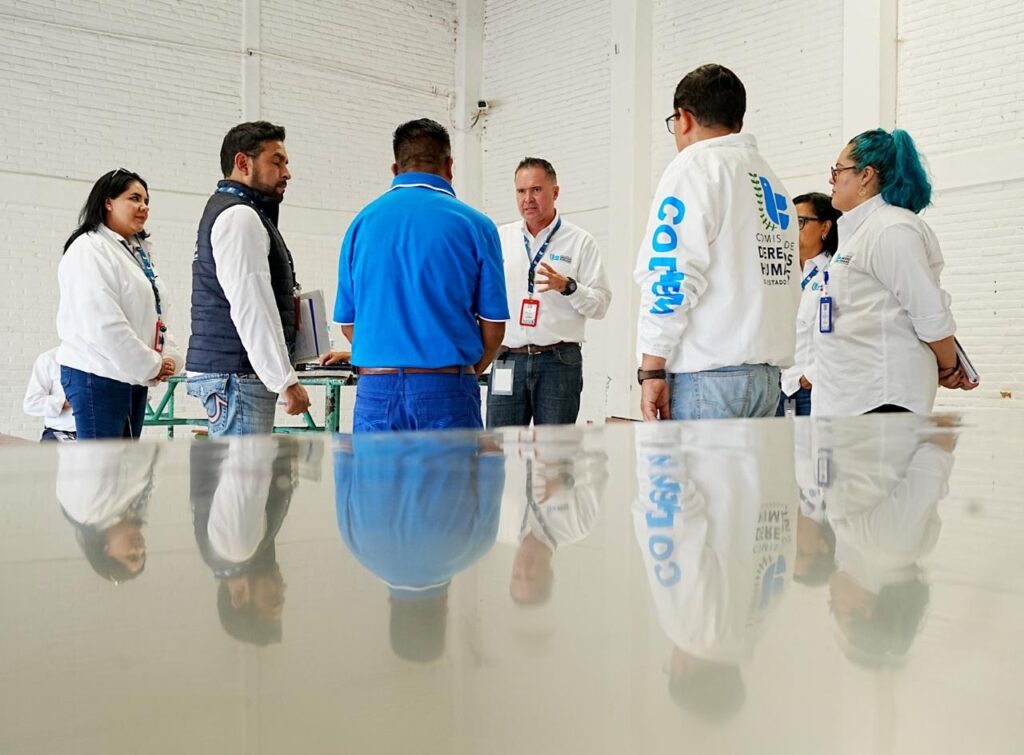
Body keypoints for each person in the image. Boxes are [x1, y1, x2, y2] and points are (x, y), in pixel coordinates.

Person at [634, 64, 800, 421]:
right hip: (767, 379)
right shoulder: (769, 178)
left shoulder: (694, 167)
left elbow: (670, 272)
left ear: (684, 118)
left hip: (709, 382)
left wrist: (652, 367)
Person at [331, 118, 509, 432]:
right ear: (449, 166)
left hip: (376, 391)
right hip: (448, 387)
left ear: (395, 169)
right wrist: (465, 372)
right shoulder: (476, 226)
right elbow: (494, 327)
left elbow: (348, 323)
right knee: (455, 468)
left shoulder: (360, 225)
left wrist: (387, 357)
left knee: (374, 468)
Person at [814, 128, 977, 415]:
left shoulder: (891, 229)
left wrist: (948, 366)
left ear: (866, 175)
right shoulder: (859, 230)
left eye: (838, 170)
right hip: (850, 398)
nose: (832, 179)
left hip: (882, 398)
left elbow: (928, 311)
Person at [186, 121, 311, 436]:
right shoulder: (239, 216)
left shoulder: (236, 212)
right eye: (276, 162)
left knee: (241, 469)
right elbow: (252, 303)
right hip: (237, 373)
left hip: (234, 372)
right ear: (243, 163)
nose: (287, 173)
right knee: (245, 469)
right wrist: (284, 380)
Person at [57, 169, 183, 439]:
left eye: (146, 201)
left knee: (126, 463)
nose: (144, 207)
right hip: (97, 373)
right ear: (108, 202)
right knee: (102, 464)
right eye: (134, 198)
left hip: (131, 373)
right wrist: (151, 364)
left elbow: (156, 313)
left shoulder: (138, 251)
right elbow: (103, 323)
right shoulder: (88, 249)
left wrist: (168, 356)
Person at [485, 158, 611, 428]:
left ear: (555, 192)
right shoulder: (500, 238)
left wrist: (569, 287)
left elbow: (601, 305)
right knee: (499, 447)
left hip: (558, 362)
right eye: (521, 191)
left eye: (536, 190)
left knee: (555, 451)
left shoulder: (580, 241)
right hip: (509, 358)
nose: (527, 199)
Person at [776, 192, 842, 416]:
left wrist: (812, 375)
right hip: (778, 388)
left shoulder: (837, 272)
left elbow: (845, 331)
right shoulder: (781, 271)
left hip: (813, 387)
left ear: (825, 227)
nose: (791, 230)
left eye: (800, 222)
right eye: (788, 222)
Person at [58, 442, 158, 582]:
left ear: (106, 551)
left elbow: (97, 446)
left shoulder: (85, 510)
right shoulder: (136, 508)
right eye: (143, 554)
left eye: (131, 556)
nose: (139, 549)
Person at [23, 346, 77, 441]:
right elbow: (31, 403)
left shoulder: (102, 359)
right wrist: (65, 402)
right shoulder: (49, 358)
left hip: (100, 434)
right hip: (60, 434)